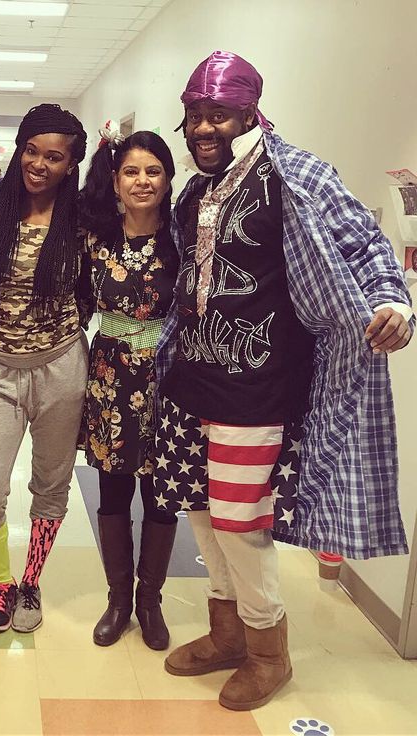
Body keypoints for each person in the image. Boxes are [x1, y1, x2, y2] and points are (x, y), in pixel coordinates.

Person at [153, 50, 413, 710]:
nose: (205, 128)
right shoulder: (195, 189)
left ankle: (270, 651)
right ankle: (227, 634)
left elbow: (365, 246)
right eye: (195, 116)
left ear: (250, 113)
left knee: (243, 526)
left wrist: (395, 301)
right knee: (205, 516)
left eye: (220, 115)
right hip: (191, 381)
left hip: (256, 387)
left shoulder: (295, 175)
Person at [0, 104, 91, 633]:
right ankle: (1, 580)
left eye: (54, 157)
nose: (39, 164)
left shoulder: (85, 222)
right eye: (32, 151)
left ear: (70, 165)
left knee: (51, 484)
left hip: (62, 368)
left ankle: (31, 581)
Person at [77, 123, 179, 650]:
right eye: (132, 172)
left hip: (169, 380)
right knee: (113, 490)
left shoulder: (183, 238)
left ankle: (150, 600)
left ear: (168, 178)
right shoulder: (95, 237)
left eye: (153, 172)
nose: (142, 181)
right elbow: (76, 306)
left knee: (161, 496)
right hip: (110, 378)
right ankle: (119, 599)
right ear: (115, 180)